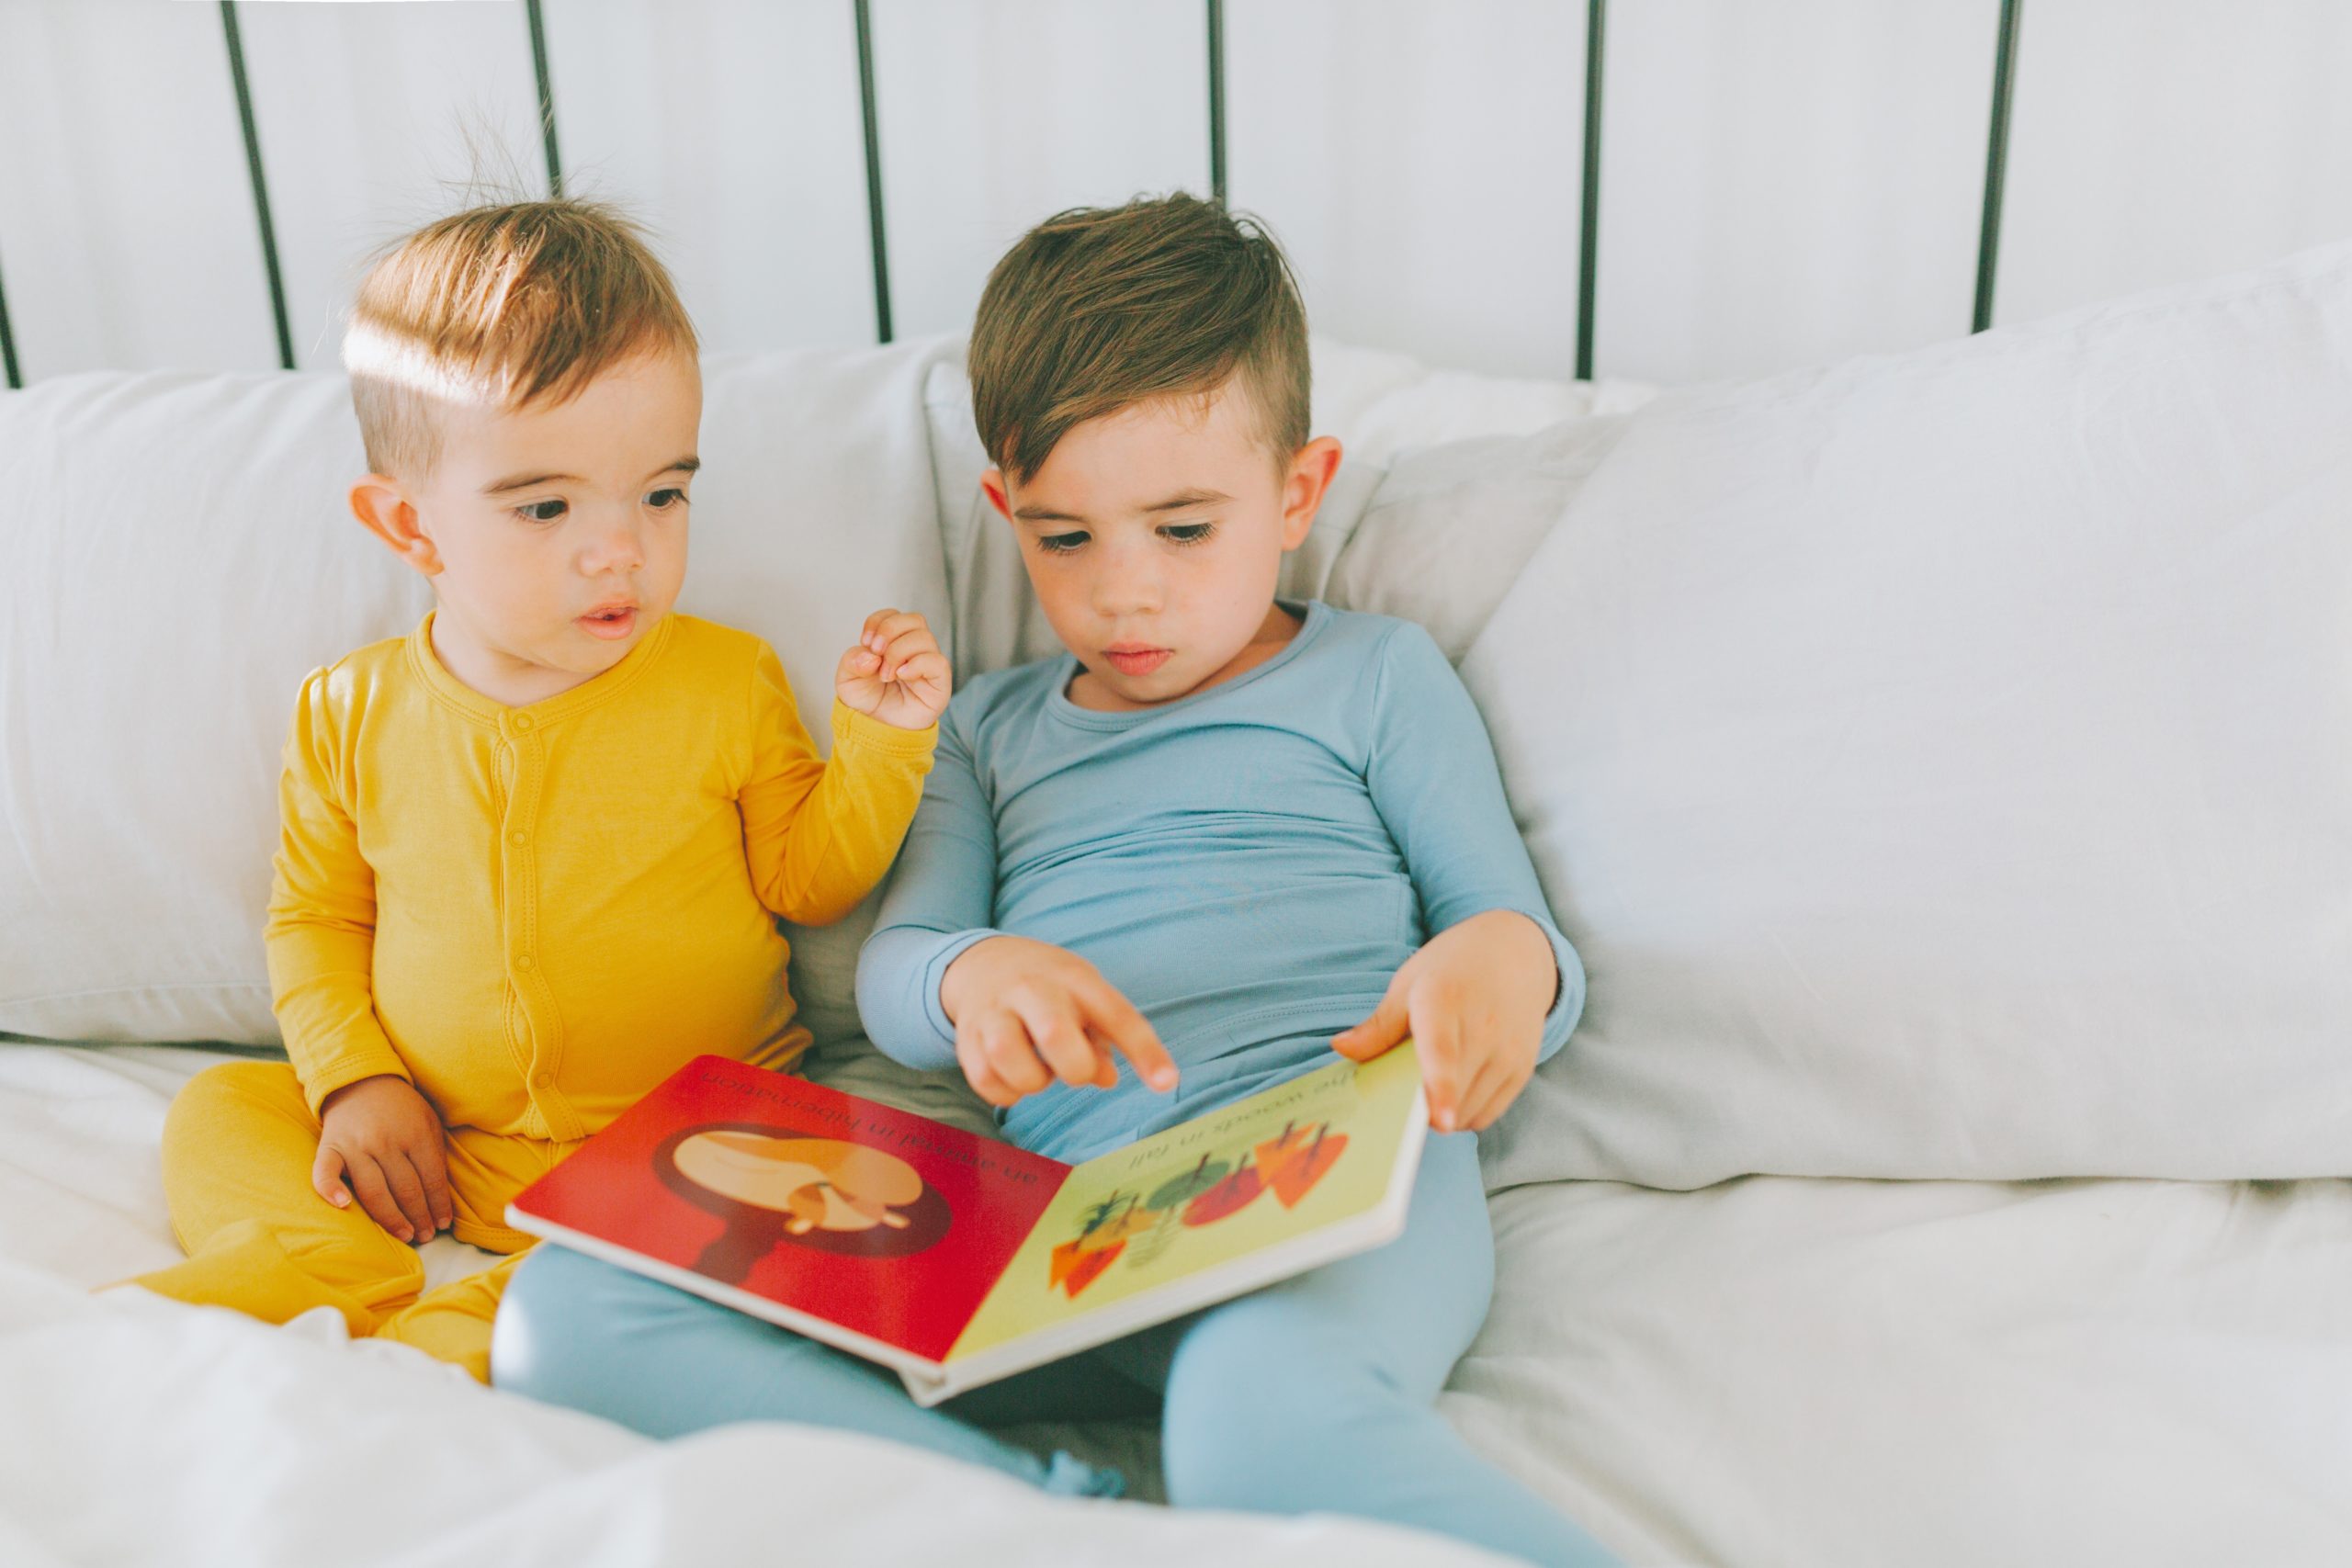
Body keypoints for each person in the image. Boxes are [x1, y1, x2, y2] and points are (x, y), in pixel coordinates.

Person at [494, 194, 1618, 1566]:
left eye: (1183, 530)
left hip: (1316, 1178)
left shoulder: (1373, 677)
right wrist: (975, 975)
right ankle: (1032, 1516)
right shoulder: (986, 727)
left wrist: (1495, 965)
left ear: (1299, 494)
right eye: (1065, 536)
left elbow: (1518, 936)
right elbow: (900, 979)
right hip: (1062, 1239)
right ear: (1003, 509)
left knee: (1254, 1425)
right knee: (569, 1313)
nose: (1123, 595)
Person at [129, 197, 949, 1383]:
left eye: (662, 495)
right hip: (439, 1140)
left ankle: (482, 1328)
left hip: (686, 1142)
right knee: (220, 1109)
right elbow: (316, 919)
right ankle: (320, 1264)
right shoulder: (349, 710)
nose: (620, 548)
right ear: (410, 524)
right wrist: (355, 1082)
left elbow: (808, 884)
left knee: (711, 1230)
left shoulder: (724, 679)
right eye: (548, 506)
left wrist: (881, 745)